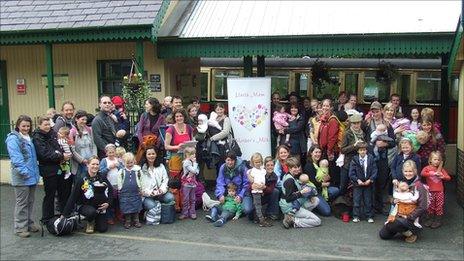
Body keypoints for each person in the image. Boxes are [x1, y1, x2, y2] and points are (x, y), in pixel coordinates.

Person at [6, 115, 41, 238]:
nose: (26, 128)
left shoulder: (28, 137)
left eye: (28, 126)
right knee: (22, 203)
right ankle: (20, 228)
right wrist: (24, 172)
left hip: (32, 176)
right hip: (22, 177)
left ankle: (29, 223)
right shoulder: (13, 139)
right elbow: (16, 158)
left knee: (30, 201)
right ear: (18, 126)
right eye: (23, 126)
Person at [32, 116, 72, 221]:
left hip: (60, 167)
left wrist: (60, 154)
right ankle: (47, 218)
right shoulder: (37, 137)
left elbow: (58, 147)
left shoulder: (53, 134)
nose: (47, 126)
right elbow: (44, 154)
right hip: (48, 170)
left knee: (63, 193)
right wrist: (61, 156)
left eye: (49, 124)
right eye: (45, 124)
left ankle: (64, 215)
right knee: (50, 194)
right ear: (39, 125)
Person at [379, 160, 428, 243]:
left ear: (415, 171)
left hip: (411, 217)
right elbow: (394, 200)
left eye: (410, 171)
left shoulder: (419, 186)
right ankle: (405, 231)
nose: (408, 173)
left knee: (394, 224)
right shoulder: (400, 183)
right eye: (406, 171)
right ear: (402, 171)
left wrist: (409, 217)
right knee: (383, 235)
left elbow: (423, 206)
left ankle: (412, 232)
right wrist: (394, 201)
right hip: (398, 214)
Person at [62, 156, 112, 233]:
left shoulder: (102, 176)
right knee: (91, 212)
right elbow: (73, 197)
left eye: (97, 164)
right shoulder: (81, 178)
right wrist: (64, 215)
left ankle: (97, 218)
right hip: (85, 206)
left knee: (102, 229)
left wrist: (108, 203)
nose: (95, 166)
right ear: (88, 165)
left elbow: (110, 191)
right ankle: (90, 221)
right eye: (93, 164)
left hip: (100, 207)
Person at [364, 101, 396, 215]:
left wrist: (385, 144)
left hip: (383, 158)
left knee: (381, 182)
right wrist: (371, 145)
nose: (375, 113)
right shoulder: (367, 123)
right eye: (373, 111)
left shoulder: (387, 124)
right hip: (371, 157)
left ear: (381, 111)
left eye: (377, 111)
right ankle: (370, 207)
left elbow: (394, 142)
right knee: (371, 181)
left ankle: (379, 206)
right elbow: (364, 139)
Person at [164, 108, 194, 211]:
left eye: (180, 116)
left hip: (187, 158)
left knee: (187, 181)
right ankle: (176, 206)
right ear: (174, 118)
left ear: (184, 117)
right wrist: (177, 147)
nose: (179, 118)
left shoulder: (189, 128)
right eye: (177, 116)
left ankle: (186, 205)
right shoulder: (170, 129)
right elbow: (166, 146)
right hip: (175, 158)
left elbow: (192, 142)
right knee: (176, 183)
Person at [280, 157, 321, 229]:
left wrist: (309, 196)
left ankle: (292, 215)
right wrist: (301, 192)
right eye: (295, 167)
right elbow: (288, 198)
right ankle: (293, 220)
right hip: (290, 206)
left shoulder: (290, 175)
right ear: (289, 168)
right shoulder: (289, 180)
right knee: (317, 221)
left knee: (316, 200)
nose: (297, 169)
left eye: (298, 167)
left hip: (296, 203)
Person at [140, 147, 174, 225]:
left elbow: (165, 180)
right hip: (147, 195)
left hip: (160, 193)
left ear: (156, 155)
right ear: (145, 155)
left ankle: (158, 209)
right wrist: (150, 193)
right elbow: (141, 186)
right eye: (149, 154)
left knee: (170, 197)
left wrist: (162, 190)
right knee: (152, 206)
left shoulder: (161, 166)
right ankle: (148, 211)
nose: (151, 156)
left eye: (153, 154)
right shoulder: (141, 169)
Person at [303, 145, 339, 216]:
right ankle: (314, 204)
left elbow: (330, 175)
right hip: (314, 191)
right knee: (327, 212)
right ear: (311, 153)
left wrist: (328, 177)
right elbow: (313, 182)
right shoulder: (309, 166)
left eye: (319, 152)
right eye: (316, 152)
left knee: (336, 190)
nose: (318, 154)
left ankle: (323, 201)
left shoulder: (322, 163)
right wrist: (325, 184)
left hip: (323, 189)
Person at [215, 151, 252, 219]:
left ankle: (237, 209)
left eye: (232, 160)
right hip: (230, 194)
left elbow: (247, 184)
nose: (230, 162)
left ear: (235, 160)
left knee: (247, 210)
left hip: (243, 194)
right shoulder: (223, 167)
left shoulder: (242, 167)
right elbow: (220, 183)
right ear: (225, 160)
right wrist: (220, 195)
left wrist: (240, 196)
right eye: (228, 160)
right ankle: (233, 210)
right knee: (221, 204)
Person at [420, 151, 451, 229]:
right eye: (435, 159)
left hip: (439, 191)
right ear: (430, 160)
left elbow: (448, 178)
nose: (436, 161)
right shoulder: (427, 168)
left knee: (439, 206)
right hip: (430, 191)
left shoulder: (441, 170)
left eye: (438, 160)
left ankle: (438, 220)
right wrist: (433, 174)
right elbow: (422, 173)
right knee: (430, 205)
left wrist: (442, 176)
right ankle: (430, 218)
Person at [349, 141, 377, 223]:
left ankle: (369, 216)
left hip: (368, 183)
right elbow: (351, 173)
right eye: (361, 150)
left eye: (364, 150)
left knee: (368, 200)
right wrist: (357, 180)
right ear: (358, 151)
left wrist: (370, 179)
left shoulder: (371, 158)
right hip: (358, 184)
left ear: (366, 150)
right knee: (356, 200)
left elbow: (375, 170)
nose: (362, 152)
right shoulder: (354, 159)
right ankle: (356, 216)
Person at [339, 113, 367, 195]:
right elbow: (343, 150)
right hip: (348, 163)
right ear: (351, 124)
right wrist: (354, 146)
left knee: (356, 185)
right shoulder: (347, 133)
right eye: (354, 123)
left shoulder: (363, 133)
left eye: (358, 123)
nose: (356, 125)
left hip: (358, 163)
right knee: (344, 185)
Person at [99, 144, 123, 225]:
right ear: (106, 153)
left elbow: (123, 170)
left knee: (118, 201)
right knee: (110, 201)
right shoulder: (104, 161)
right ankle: (110, 217)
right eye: (109, 152)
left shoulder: (118, 160)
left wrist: (118, 166)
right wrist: (108, 167)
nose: (111, 154)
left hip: (118, 184)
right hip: (109, 184)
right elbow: (101, 173)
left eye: (113, 152)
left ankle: (118, 215)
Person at [117, 152, 143, 229]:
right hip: (125, 192)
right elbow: (119, 180)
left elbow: (141, 180)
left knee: (136, 206)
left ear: (134, 161)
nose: (129, 164)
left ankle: (136, 220)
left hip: (136, 192)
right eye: (127, 163)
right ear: (124, 163)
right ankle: (127, 221)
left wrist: (141, 188)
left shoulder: (138, 170)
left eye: (131, 162)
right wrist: (120, 188)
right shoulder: (121, 171)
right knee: (126, 206)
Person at [69, 110, 97, 179]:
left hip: (90, 162)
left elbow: (93, 144)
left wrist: (94, 156)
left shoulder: (89, 130)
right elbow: (72, 150)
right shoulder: (72, 132)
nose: (84, 121)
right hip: (79, 164)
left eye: (85, 120)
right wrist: (82, 160)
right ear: (76, 119)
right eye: (82, 119)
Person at [247, 153, 272, 227]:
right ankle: (261, 220)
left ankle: (256, 218)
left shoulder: (263, 170)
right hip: (256, 191)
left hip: (261, 190)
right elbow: (251, 180)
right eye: (256, 162)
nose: (258, 163)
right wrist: (255, 184)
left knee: (259, 205)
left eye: (259, 162)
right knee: (257, 205)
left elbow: (265, 178)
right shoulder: (252, 171)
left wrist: (263, 186)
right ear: (253, 163)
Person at [180, 146, 199, 220]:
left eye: (194, 153)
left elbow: (197, 171)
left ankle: (193, 212)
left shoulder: (192, 162)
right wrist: (194, 164)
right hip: (186, 184)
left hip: (193, 183)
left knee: (193, 199)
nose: (194, 155)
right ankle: (185, 213)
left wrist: (195, 166)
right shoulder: (186, 162)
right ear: (187, 154)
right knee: (186, 199)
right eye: (192, 154)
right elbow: (194, 171)